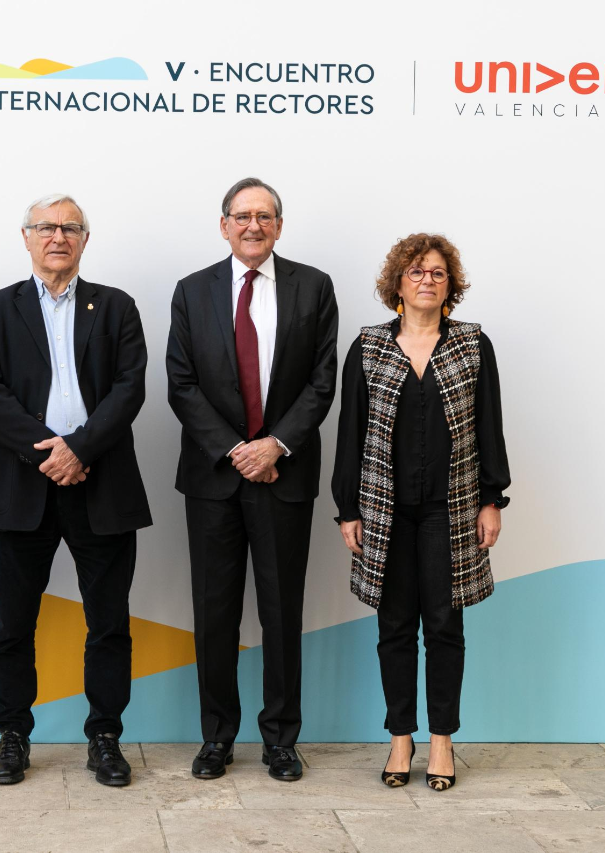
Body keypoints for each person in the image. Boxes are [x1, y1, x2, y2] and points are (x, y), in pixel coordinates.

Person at [0, 194, 151, 787]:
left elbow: (130, 388)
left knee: (108, 623)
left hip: (101, 483)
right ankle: (13, 736)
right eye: (46, 227)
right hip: (25, 485)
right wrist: (48, 451)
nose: (58, 236)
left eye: (70, 227)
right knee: (11, 624)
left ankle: (104, 736)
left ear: (84, 240)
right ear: (25, 237)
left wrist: (81, 449)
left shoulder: (117, 306)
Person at [166, 177, 338, 782]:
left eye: (265, 216)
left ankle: (281, 739)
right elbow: (180, 384)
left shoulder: (313, 287)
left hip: (283, 476)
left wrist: (275, 446)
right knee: (215, 614)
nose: (253, 226)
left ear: (279, 227)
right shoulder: (192, 291)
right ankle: (217, 738)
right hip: (215, 478)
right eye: (242, 216)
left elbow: (322, 382)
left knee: (281, 611)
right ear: (224, 225)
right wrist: (237, 450)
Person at [331, 233, 510, 792]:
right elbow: (350, 435)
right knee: (393, 628)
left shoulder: (473, 345)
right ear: (397, 284)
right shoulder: (367, 347)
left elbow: (490, 427)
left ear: (449, 283)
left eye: (437, 272)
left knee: (445, 625)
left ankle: (441, 742)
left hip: (451, 510)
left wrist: (491, 499)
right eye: (416, 272)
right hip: (384, 511)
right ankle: (400, 740)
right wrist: (347, 509)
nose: (427, 279)